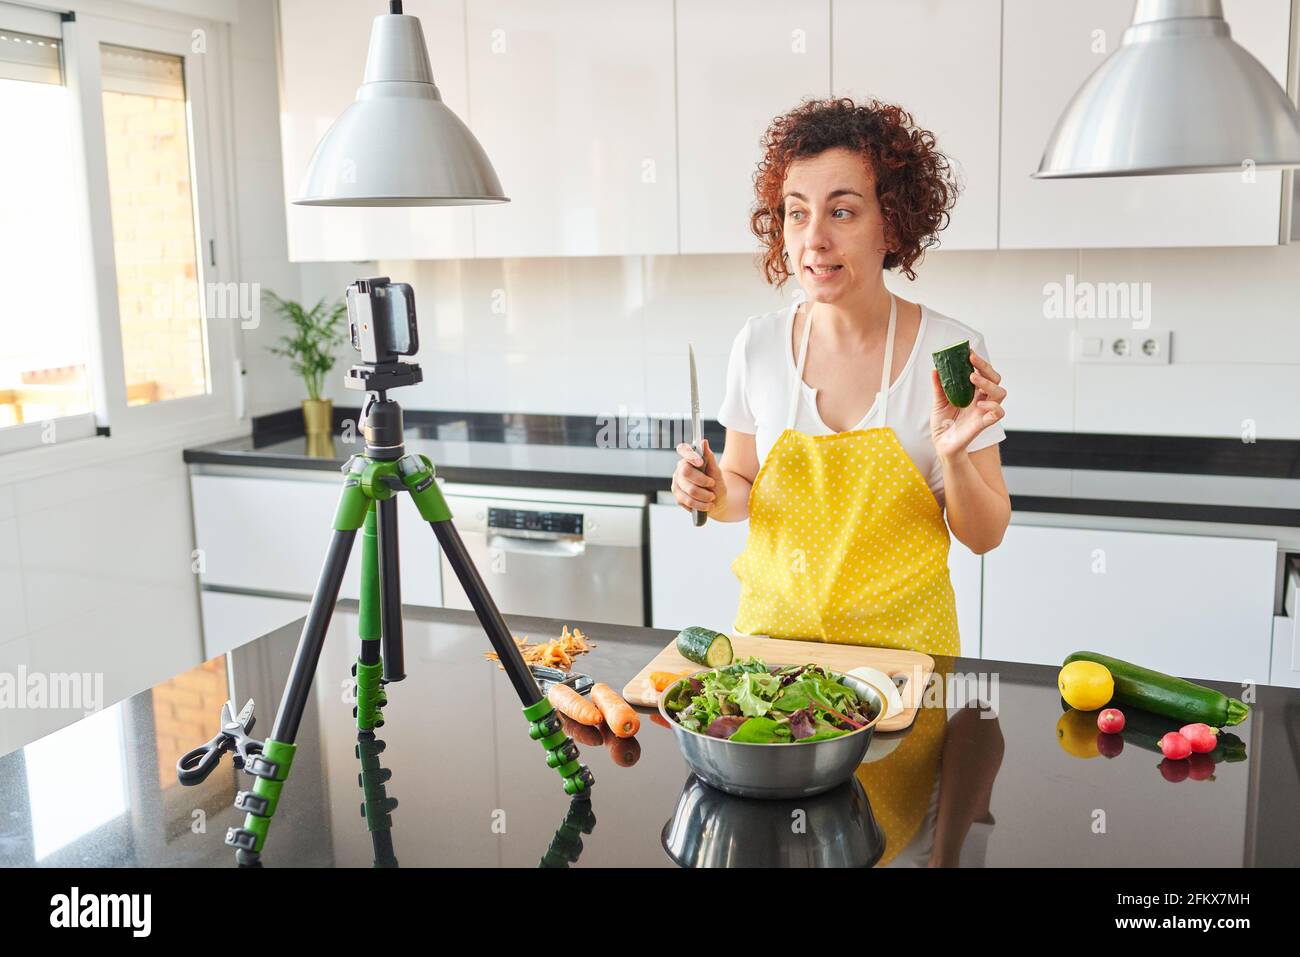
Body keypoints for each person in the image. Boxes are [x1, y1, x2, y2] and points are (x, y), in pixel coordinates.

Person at [671, 98, 1010, 657]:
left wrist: (953, 456)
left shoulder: (950, 351)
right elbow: (741, 489)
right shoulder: (757, 344)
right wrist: (706, 490)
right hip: (772, 663)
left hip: (906, 668)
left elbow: (984, 536)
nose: (814, 239)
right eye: (796, 212)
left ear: (894, 226)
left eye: (843, 212)